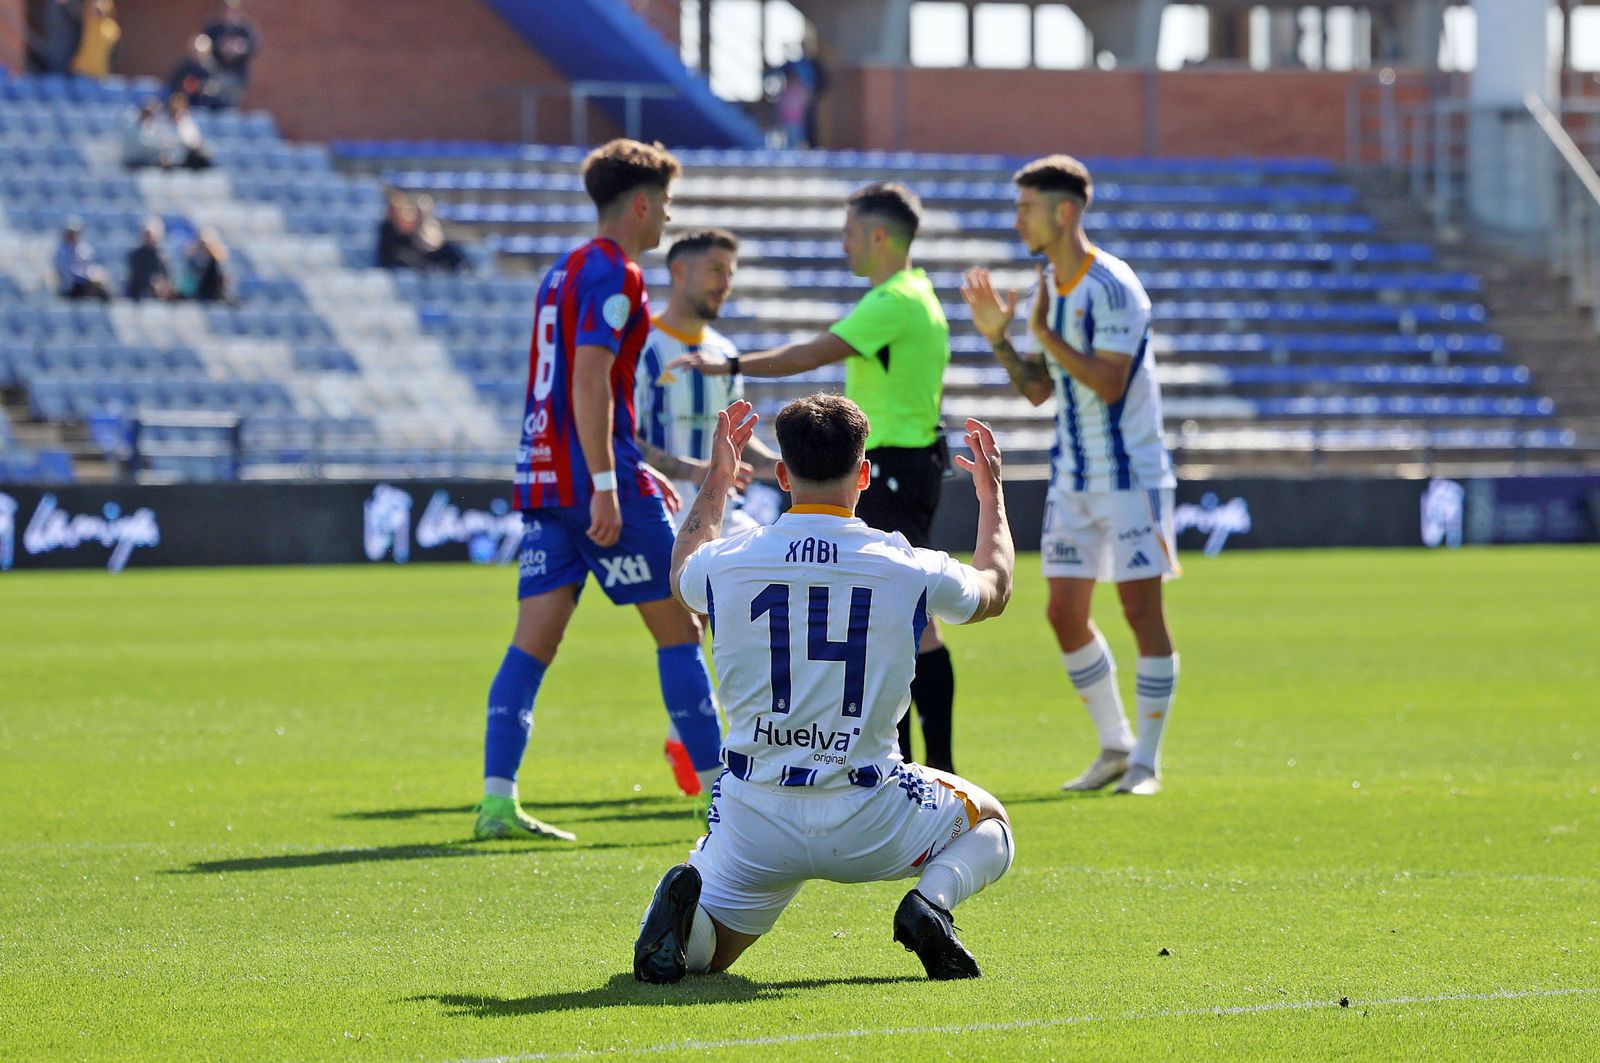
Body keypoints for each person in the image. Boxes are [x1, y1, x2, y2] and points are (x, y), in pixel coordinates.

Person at [632, 394, 1015, 984]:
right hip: (870, 809)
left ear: (783, 475)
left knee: (710, 955)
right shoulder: (907, 563)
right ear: (864, 474)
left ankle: (687, 926)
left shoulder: (728, 559)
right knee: (992, 824)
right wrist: (992, 498)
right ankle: (930, 905)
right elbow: (994, 587)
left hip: (756, 808)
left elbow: (682, 567)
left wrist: (717, 478)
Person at [473, 139, 724, 841]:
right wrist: (609, 484)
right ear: (641, 204)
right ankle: (723, 800)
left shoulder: (565, 268)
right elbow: (589, 380)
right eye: (665, 203)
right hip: (593, 480)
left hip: (545, 478)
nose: (668, 216)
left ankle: (496, 803)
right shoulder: (618, 273)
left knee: (532, 644)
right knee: (681, 628)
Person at [665, 182, 960, 775]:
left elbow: (813, 353)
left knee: (904, 621)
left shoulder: (894, 300)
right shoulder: (919, 293)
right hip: (909, 464)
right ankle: (918, 760)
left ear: (879, 236)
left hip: (893, 466)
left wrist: (733, 364)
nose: (844, 244)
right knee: (905, 615)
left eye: (850, 233)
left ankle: (909, 763)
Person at [959, 154, 1180, 796]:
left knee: (1141, 612)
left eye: (1027, 208)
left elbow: (1110, 383)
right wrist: (1001, 338)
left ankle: (1147, 763)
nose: (1018, 220)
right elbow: (1037, 390)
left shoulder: (1113, 286)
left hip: (1132, 475)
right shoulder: (1044, 291)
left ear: (1064, 212)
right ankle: (1116, 745)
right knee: (1062, 613)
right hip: (1073, 478)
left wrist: (1040, 333)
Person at [634, 227, 780, 796]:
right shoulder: (643, 347)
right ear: (679, 271)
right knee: (688, 624)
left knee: (763, 619)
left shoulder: (722, 352)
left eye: (731, 273)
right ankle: (706, 745)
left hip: (728, 510)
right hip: (663, 506)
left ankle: (709, 741)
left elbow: (741, 438)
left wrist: (787, 464)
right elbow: (623, 437)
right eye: (716, 270)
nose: (726, 283)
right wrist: (691, 469)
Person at [201, 0, 260, 108]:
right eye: (226, 10)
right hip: (216, 72)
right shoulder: (213, 27)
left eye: (233, 11)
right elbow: (202, 46)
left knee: (230, 105)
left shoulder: (244, 28)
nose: (229, 13)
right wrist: (220, 47)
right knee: (212, 99)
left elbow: (255, 47)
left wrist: (241, 48)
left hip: (236, 74)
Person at [53, 219, 111, 301]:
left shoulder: (85, 248)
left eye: (75, 233)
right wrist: (85, 276)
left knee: (100, 282)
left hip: (85, 282)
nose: (73, 236)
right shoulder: (61, 251)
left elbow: (90, 266)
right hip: (70, 285)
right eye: (71, 233)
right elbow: (66, 272)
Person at [413, 194, 467, 272]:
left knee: (452, 248)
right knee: (448, 248)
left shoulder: (432, 222)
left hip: (437, 249)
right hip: (426, 252)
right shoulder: (416, 224)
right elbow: (420, 241)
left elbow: (439, 237)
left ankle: (461, 267)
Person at [126, 217, 175, 301]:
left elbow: (167, 275)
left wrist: (161, 283)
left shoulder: (163, 255)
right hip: (140, 292)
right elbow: (136, 276)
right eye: (147, 234)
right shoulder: (136, 255)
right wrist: (151, 281)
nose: (149, 237)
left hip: (160, 291)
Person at [167, 34, 221, 109]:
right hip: (185, 105)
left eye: (201, 53)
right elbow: (174, 85)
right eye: (195, 51)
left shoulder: (212, 68)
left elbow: (216, 87)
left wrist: (208, 89)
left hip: (206, 107)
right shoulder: (183, 67)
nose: (198, 55)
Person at [376, 193, 426, 270]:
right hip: (390, 259)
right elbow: (390, 248)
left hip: (404, 255)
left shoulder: (404, 225)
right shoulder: (386, 226)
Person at [70, 0, 119, 79]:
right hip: (80, 72)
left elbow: (114, 54)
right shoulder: (84, 23)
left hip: (99, 75)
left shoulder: (112, 29)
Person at [164, 92, 213, 169]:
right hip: (166, 161)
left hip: (185, 161)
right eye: (174, 105)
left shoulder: (189, 123)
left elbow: (193, 143)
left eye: (180, 105)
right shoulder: (163, 121)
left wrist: (179, 123)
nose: (176, 108)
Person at [182, 227, 231, 302]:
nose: (205, 247)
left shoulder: (215, 262)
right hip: (196, 295)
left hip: (212, 296)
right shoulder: (193, 259)